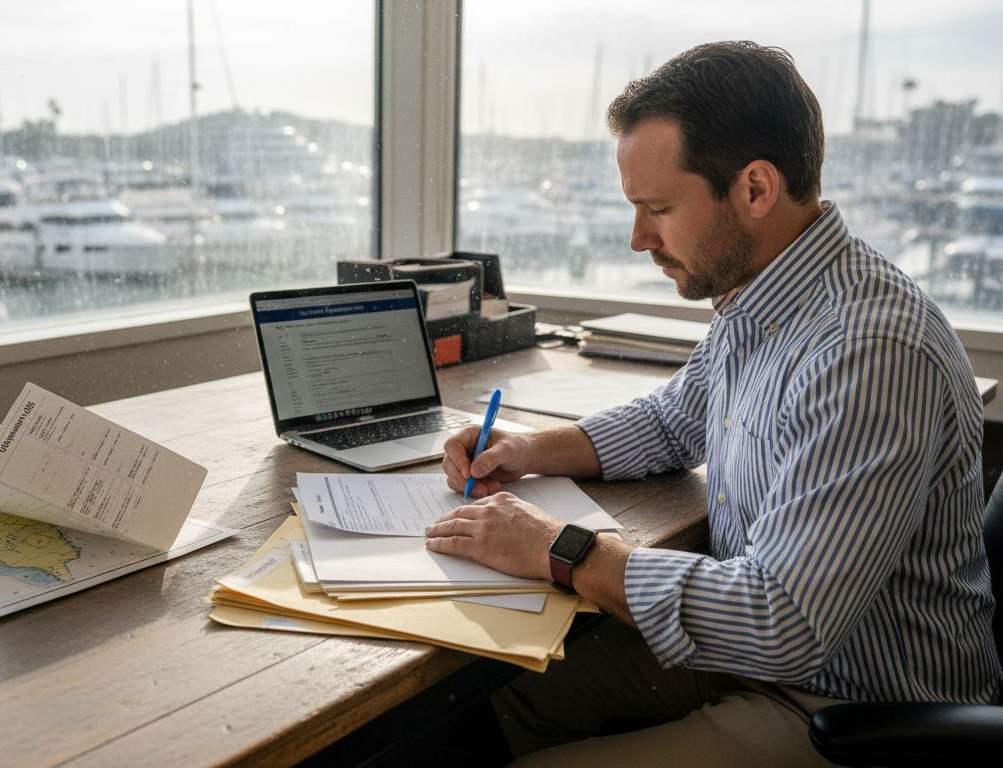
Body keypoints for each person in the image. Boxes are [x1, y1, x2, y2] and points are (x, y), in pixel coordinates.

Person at [424, 41, 1000, 766]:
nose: (639, 240)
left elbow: (780, 619)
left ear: (755, 189)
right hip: (755, 664)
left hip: (850, 706)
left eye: (659, 208)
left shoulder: (868, 350)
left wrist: (560, 547)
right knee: (493, 688)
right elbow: (674, 419)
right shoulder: (762, 295)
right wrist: (528, 447)